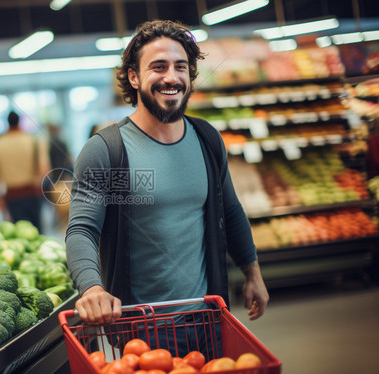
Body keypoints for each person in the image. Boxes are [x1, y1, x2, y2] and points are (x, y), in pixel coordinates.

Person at [65, 20, 269, 330]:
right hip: (141, 328)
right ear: (134, 77)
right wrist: (92, 287)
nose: (171, 77)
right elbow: (83, 230)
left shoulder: (207, 140)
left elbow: (230, 210)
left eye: (180, 67)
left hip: (209, 316)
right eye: (158, 67)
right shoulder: (108, 151)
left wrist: (252, 272)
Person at [0, 110, 50, 231]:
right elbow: (44, 170)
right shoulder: (34, 141)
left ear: (7, 123)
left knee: (19, 233)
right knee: (37, 232)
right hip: (33, 193)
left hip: (12, 196)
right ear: (19, 122)